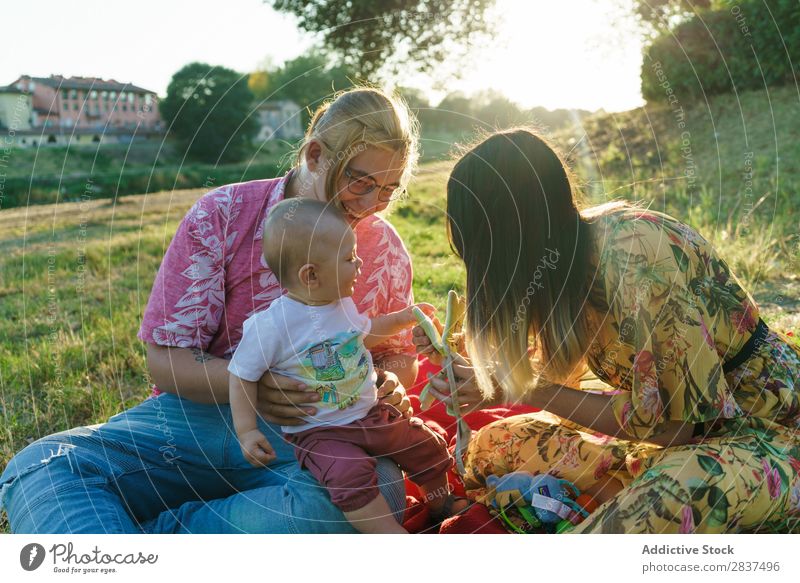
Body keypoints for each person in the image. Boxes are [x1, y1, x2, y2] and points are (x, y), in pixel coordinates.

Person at [0, 86, 422, 533]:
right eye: (360, 181)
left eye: (389, 190)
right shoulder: (221, 214)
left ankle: (139, 542)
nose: (372, 203)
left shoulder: (385, 248)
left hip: (313, 438)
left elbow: (398, 354)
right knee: (43, 466)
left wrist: (390, 377)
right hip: (194, 424)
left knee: (378, 492)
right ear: (315, 155)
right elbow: (166, 360)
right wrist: (255, 383)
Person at [414, 128, 800, 533]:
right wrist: (463, 362)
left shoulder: (634, 253)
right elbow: (553, 369)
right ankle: (629, 485)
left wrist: (526, 388)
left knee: (660, 501)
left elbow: (679, 428)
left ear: (510, 235)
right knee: (492, 445)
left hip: (767, 436)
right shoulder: (561, 264)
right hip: (678, 446)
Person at [229, 198, 457, 533]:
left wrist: (404, 318)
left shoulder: (340, 304)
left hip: (369, 412)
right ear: (311, 275)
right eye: (350, 258)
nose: (360, 263)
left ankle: (441, 503)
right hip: (320, 431)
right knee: (349, 476)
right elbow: (240, 375)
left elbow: (367, 332)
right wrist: (247, 431)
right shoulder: (272, 325)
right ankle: (389, 535)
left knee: (423, 443)